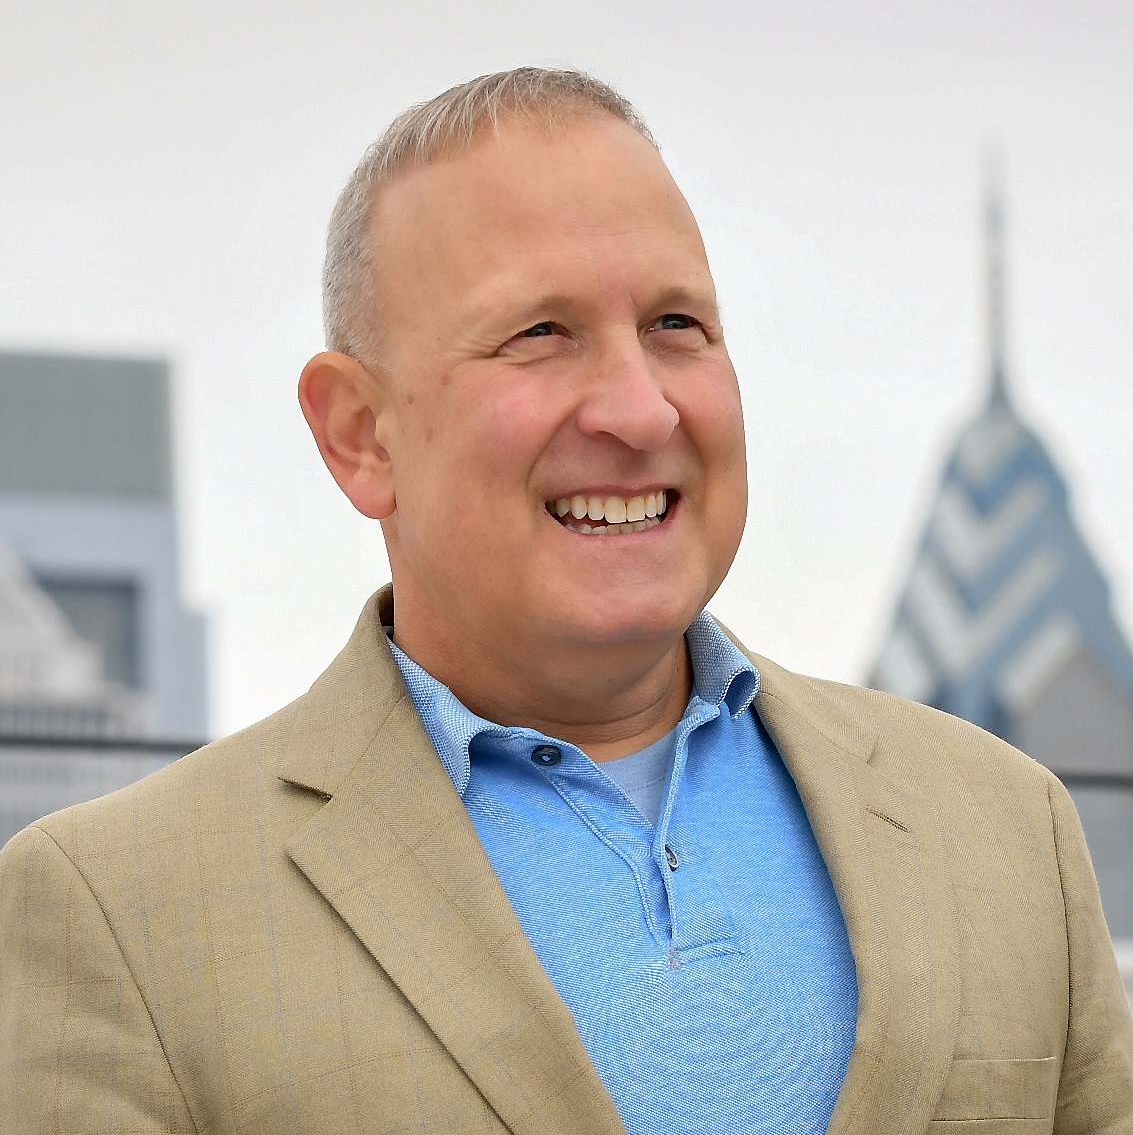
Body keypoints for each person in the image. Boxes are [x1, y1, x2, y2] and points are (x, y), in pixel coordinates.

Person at [1, 68, 1131, 1135]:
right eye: (539, 334)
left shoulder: (1005, 824)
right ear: (359, 433)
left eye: (674, 325)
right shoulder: (115, 912)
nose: (639, 410)